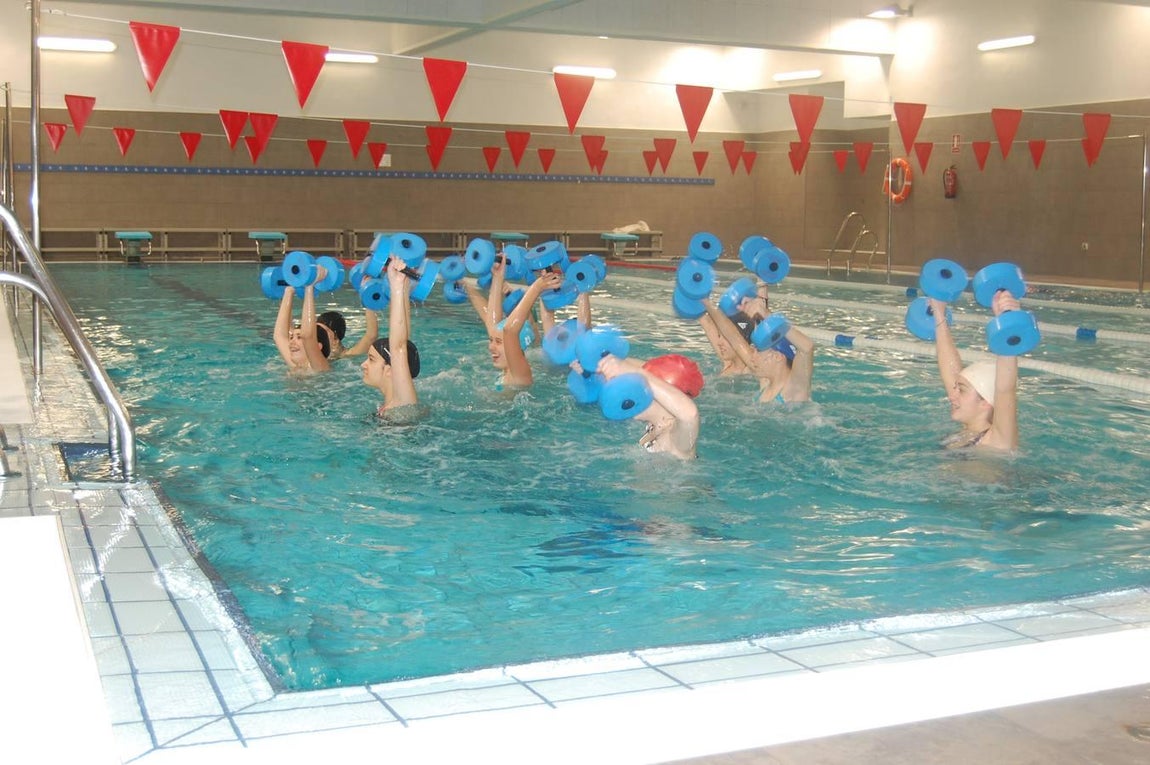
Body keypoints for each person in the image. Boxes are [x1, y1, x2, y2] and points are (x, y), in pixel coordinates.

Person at [929, 290, 1019, 450]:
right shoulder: (965, 432)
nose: (951, 396)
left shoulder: (997, 441)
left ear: (985, 402)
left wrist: (1007, 323)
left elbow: (1005, 390)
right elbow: (952, 371)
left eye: (961, 391)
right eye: (956, 389)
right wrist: (939, 313)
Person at [701, 281, 814, 403]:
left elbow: (807, 348)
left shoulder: (795, 389)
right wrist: (706, 303)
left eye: (758, 351)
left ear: (777, 357)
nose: (752, 355)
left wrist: (769, 317)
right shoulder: (766, 381)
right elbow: (734, 338)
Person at [594, 353, 702, 460]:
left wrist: (636, 372)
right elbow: (628, 366)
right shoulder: (654, 425)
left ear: (663, 399)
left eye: (642, 389)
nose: (634, 394)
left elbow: (690, 414)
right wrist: (598, 365)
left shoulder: (677, 438)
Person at [361, 257, 420, 415]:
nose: (363, 365)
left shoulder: (402, 404)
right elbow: (404, 339)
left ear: (390, 370)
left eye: (371, 359)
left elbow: (399, 347)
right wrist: (403, 293)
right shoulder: (390, 405)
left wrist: (397, 287)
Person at [273, 279, 331, 374]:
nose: (291, 342)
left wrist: (309, 287)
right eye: (292, 337)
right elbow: (279, 335)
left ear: (318, 346)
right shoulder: (296, 365)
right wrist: (289, 291)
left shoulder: (319, 367)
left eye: (299, 337)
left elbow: (308, 336)